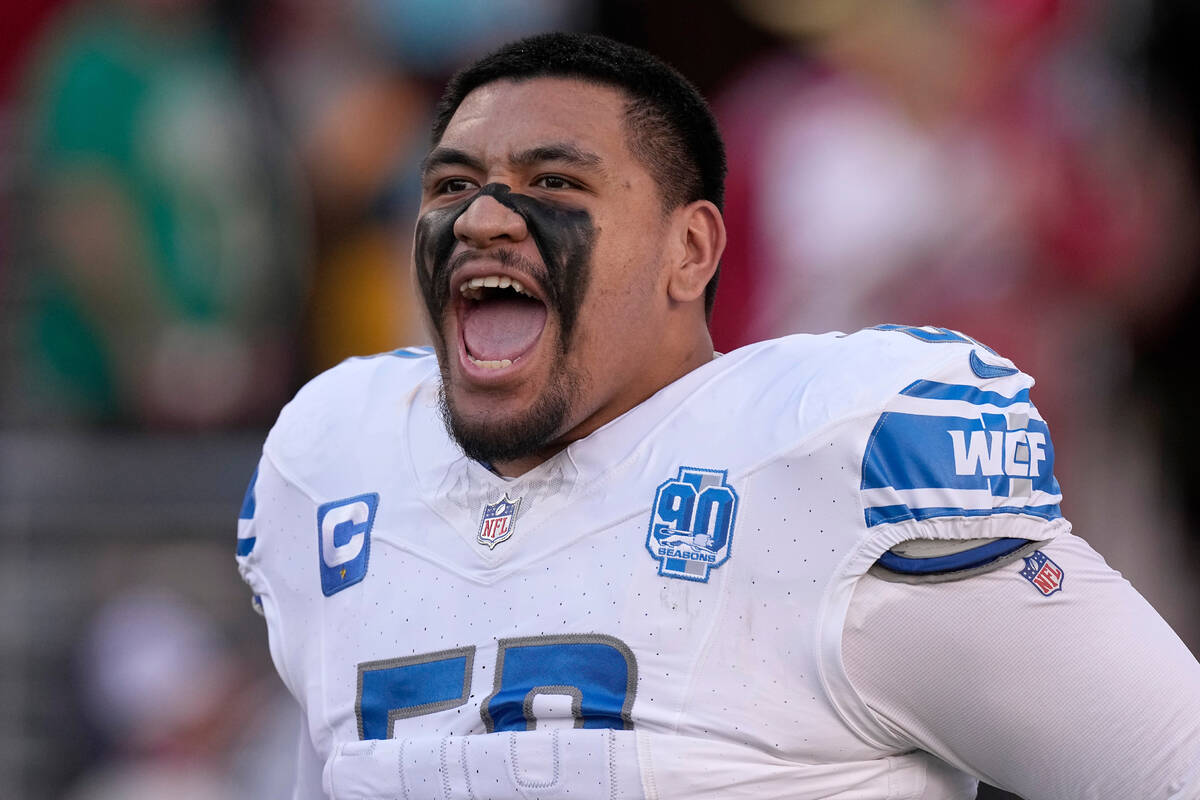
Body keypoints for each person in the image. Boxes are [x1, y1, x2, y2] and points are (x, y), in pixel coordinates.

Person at [236, 32, 1200, 799]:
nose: (484, 217)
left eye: (556, 183)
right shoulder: (340, 463)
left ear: (689, 252)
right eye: (451, 185)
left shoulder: (830, 466)